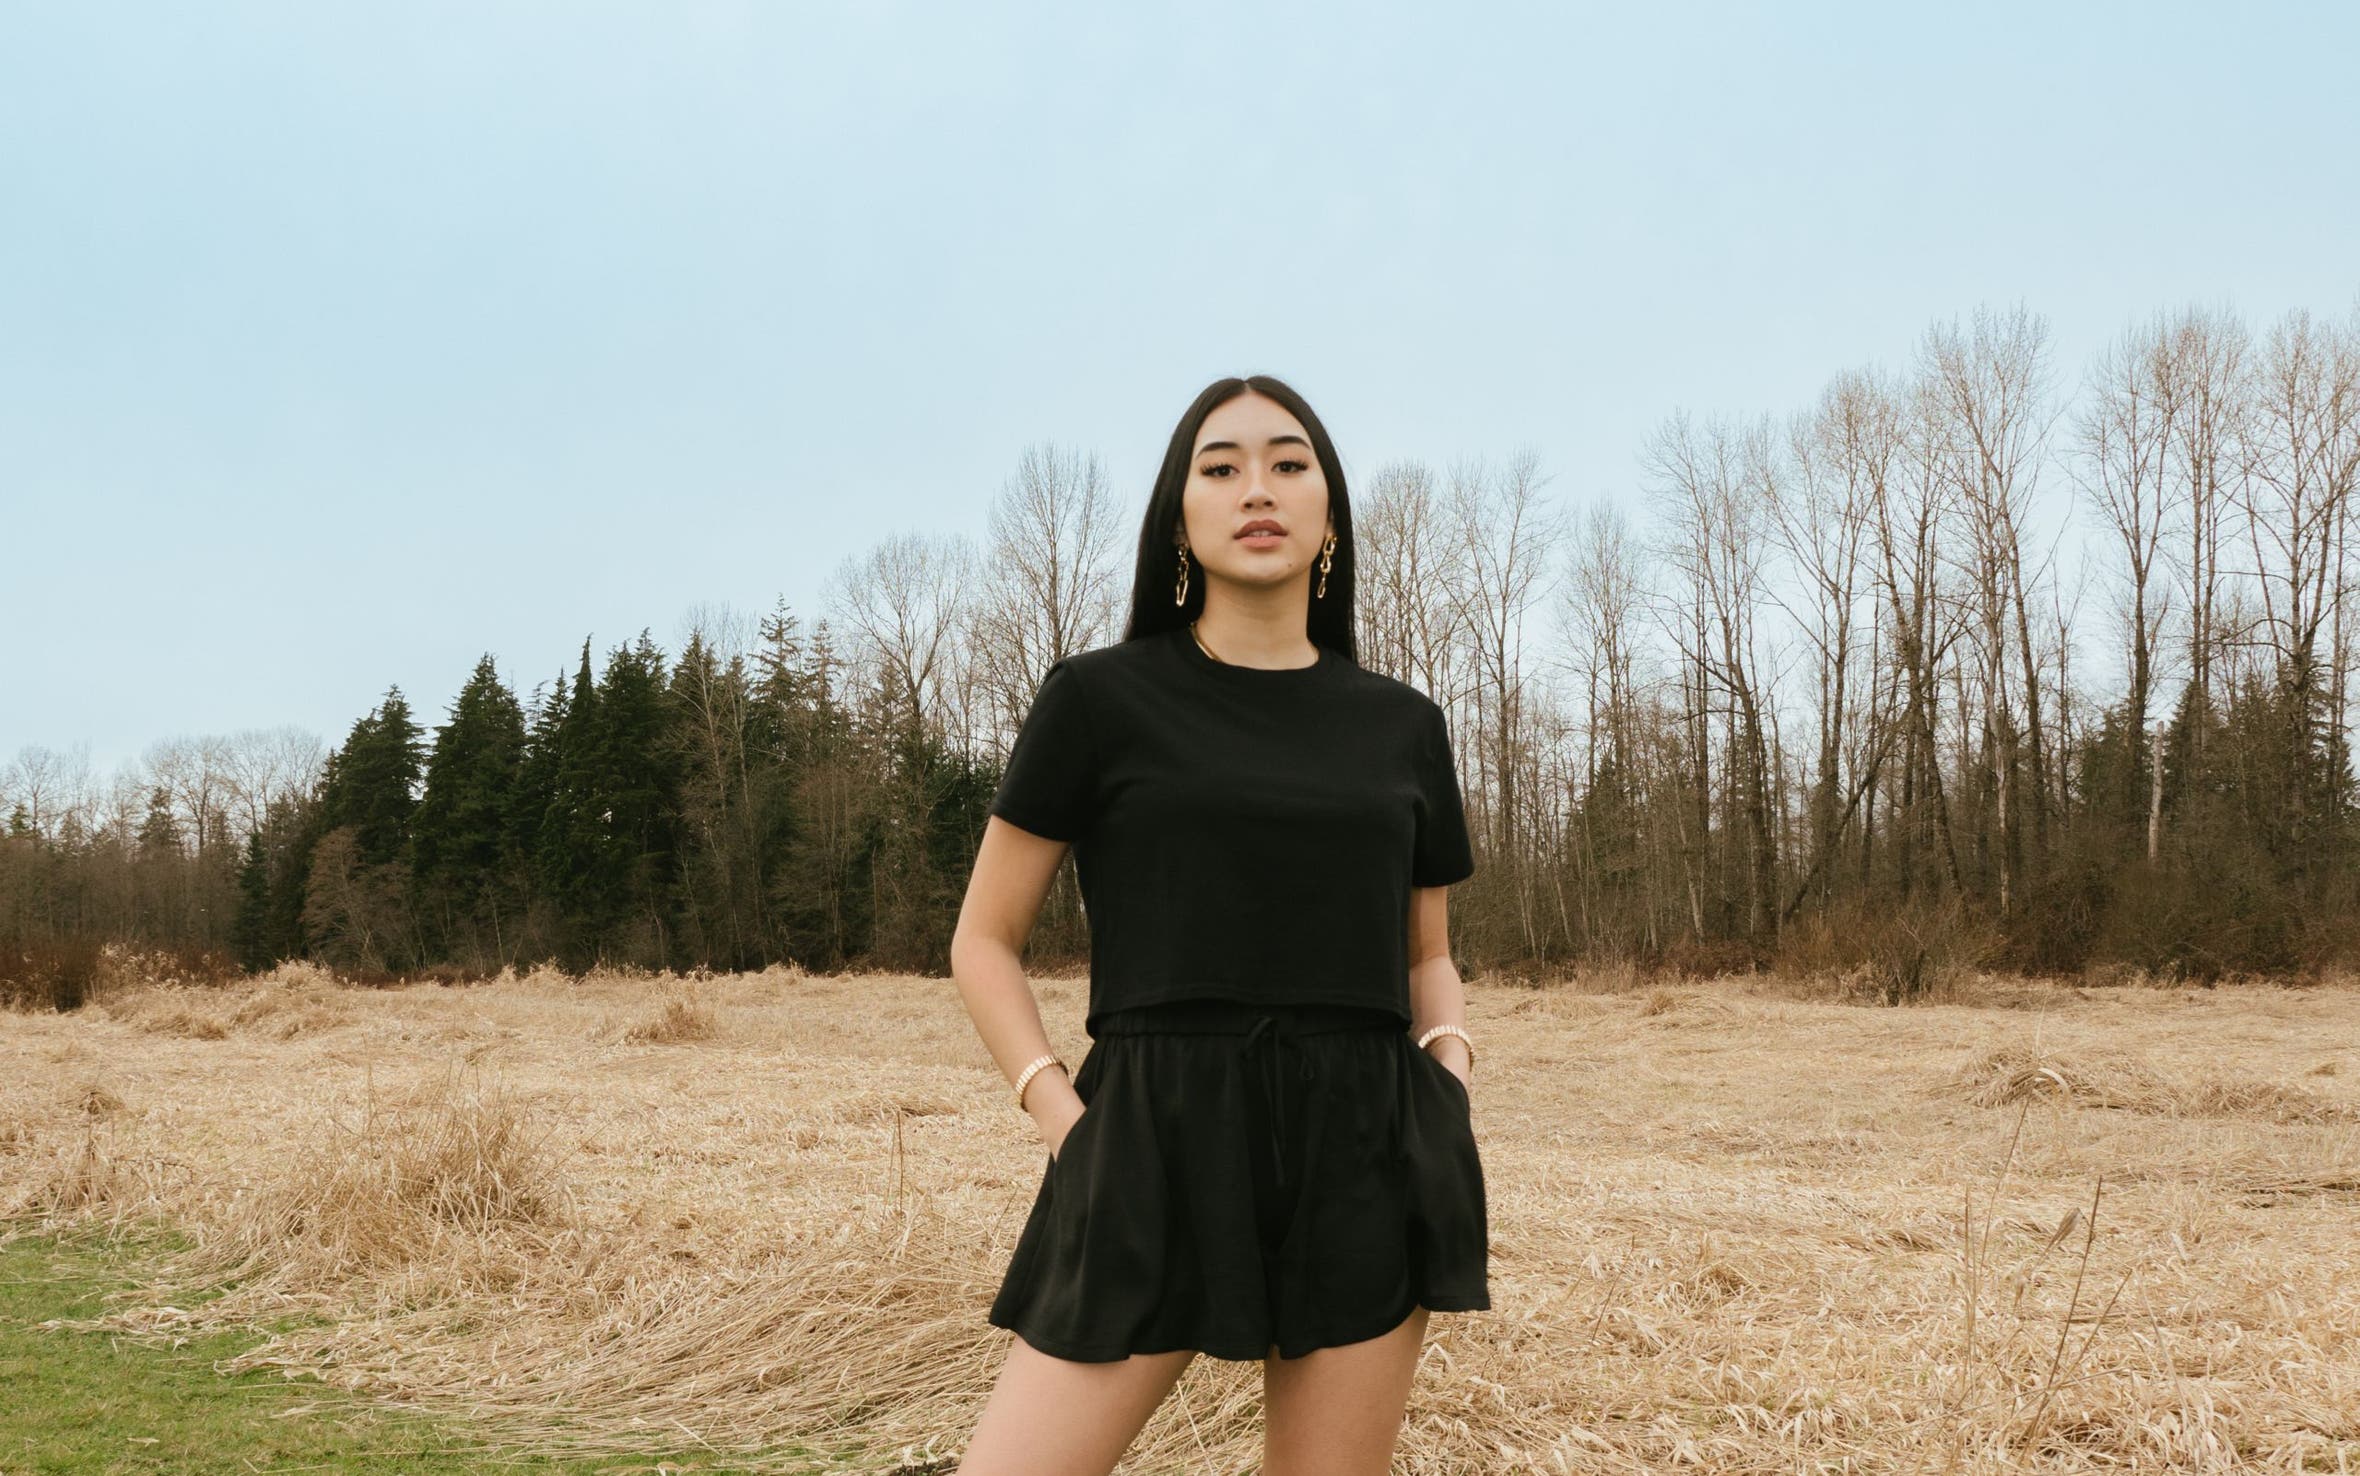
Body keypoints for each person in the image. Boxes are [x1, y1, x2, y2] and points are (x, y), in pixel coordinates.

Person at [950, 374, 1486, 1476]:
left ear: (1328, 517)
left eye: (1290, 464)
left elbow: (1425, 951)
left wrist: (1445, 1080)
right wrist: (1065, 1118)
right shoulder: (1097, 701)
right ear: (1178, 517)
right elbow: (983, 939)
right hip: (1151, 1133)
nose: (1258, 488)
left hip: (1362, 1141)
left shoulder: (1401, 726)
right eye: (1221, 465)